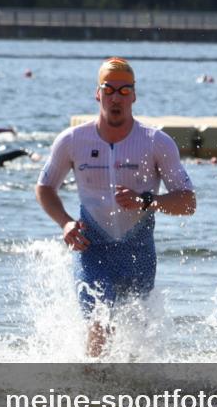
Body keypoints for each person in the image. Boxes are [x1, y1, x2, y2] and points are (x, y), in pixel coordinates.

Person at [35, 57, 196, 357]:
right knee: (99, 315)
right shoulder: (72, 141)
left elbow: (188, 201)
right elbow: (44, 188)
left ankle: (130, 393)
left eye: (124, 91)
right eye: (109, 89)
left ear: (134, 96)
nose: (116, 98)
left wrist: (146, 200)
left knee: (135, 335)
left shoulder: (156, 142)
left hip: (138, 251)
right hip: (92, 248)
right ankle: (94, 391)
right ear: (98, 94)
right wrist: (66, 223)